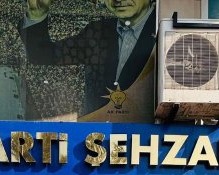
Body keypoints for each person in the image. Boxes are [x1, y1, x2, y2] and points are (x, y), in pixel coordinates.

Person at [20, 0, 157, 118]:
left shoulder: (163, 32)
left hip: (149, 135)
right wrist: (37, 15)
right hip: (98, 131)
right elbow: (43, 55)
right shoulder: (97, 32)